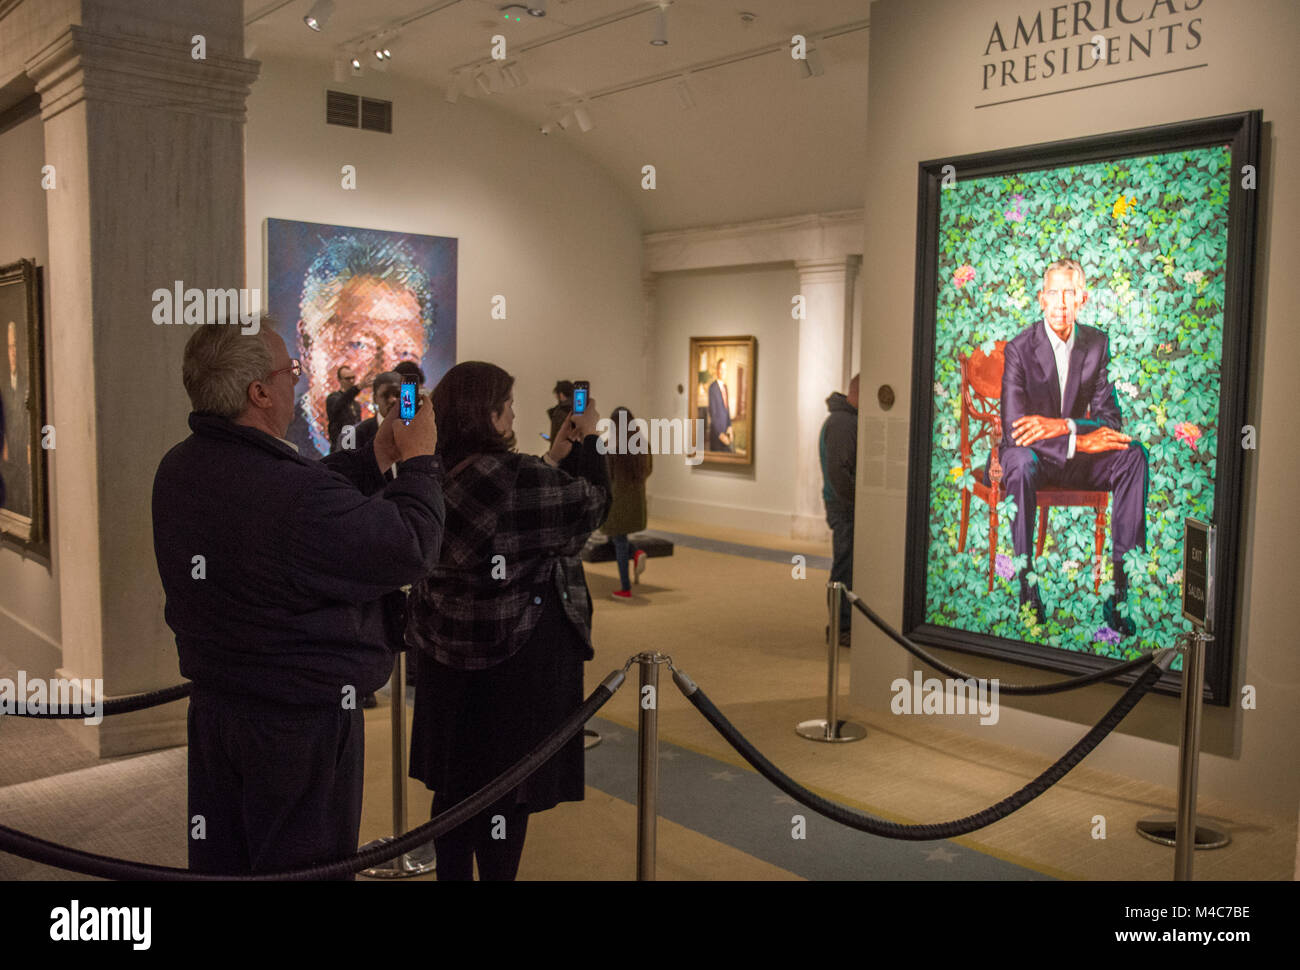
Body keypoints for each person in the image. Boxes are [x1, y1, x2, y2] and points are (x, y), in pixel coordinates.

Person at [152, 321, 444, 876]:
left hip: (220, 705)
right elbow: (409, 548)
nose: (297, 378)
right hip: (297, 723)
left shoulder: (181, 466)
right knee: (302, 865)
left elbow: (295, 501)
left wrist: (372, 458)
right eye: (289, 370)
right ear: (258, 393)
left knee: (227, 860)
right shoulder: (291, 495)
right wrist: (422, 461)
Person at [405, 361, 609, 880]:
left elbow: (499, 517)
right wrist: (588, 441)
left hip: (443, 661)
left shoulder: (427, 472)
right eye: (508, 405)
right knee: (504, 797)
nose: (515, 413)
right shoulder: (520, 479)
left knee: (454, 790)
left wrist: (552, 457)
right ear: (490, 416)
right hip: (510, 663)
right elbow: (590, 507)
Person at [996, 258, 1148, 636]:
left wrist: (1064, 426)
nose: (1061, 302)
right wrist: (1077, 438)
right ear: (1041, 299)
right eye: (1053, 293)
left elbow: (1110, 421)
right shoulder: (1018, 348)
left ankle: (1119, 592)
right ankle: (1027, 590)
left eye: (1070, 293)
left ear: (1082, 299)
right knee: (1019, 461)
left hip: (1071, 454)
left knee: (1133, 455)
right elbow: (1015, 430)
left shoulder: (1096, 344)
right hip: (1030, 456)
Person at [289, 234, 439, 456]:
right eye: (361, 344)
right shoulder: (287, 443)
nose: (386, 369)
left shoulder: (408, 432)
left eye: (405, 352)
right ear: (307, 344)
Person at [820, 374, 859, 644]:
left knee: (848, 564)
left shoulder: (844, 420)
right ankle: (841, 626)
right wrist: (855, 502)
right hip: (844, 507)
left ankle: (845, 624)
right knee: (845, 566)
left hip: (845, 505)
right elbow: (839, 472)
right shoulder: (843, 423)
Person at [603, 406, 652, 600]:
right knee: (616, 539)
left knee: (619, 541)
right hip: (637, 501)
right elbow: (648, 470)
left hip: (617, 502)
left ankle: (625, 587)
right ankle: (637, 552)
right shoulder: (643, 445)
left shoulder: (610, 446)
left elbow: (607, 475)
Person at [353, 371, 401, 453]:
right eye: (385, 395)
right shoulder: (358, 436)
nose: (393, 400)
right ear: (375, 399)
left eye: (398, 394)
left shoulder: (419, 429)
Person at [325, 365, 362, 452]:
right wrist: (356, 389)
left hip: (353, 448)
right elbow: (340, 404)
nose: (352, 381)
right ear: (339, 380)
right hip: (340, 449)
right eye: (348, 378)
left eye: (353, 377)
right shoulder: (333, 398)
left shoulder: (356, 405)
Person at [707, 358, 734, 452]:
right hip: (717, 433)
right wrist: (720, 434)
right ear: (717, 370)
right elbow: (712, 414)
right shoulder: (712, 388)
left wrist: (730, 427)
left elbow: (727, 409)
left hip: (726, 430)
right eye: (721, 369)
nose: (723, 371)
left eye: (725, 369)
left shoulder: (725, 387)